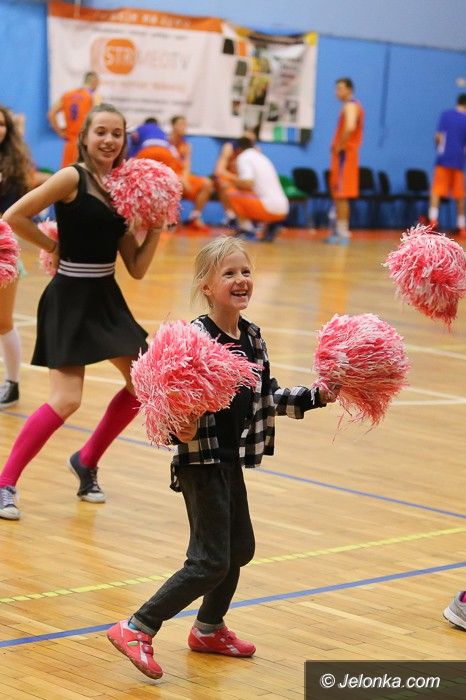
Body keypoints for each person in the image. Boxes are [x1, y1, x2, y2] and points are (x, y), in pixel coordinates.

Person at [106, 235, 339, 680]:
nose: (240, 279)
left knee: (239, 549)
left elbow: (266, 397)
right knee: (210, 560)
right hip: (201, 463)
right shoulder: (193, 339)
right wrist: (177, 428)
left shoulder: (252, 337)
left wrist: (317, 396)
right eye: (228, 273)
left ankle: (208, 629)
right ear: (206, 286)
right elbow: (163, 401)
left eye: (245, 271)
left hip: (231, 460)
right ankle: (137, 627)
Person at [0, 103, 164, 521]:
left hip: (106, 298)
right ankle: (5, 483)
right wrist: (53, 246)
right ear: (85, 137)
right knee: (67, 400)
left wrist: (157, 227)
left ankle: (86, 460)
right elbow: (14, 216)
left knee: (144, 383)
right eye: (101, 132)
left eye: (117, 134)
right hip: (69, 297)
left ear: (125, 140)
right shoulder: (72, 177)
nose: (109, 140)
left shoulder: (125, 190)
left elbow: (137, 268)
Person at [0, 105, 50, 409]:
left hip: (2, 252)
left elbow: (14, 212)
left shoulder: (14, 166)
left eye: (2, 125)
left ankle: (12, 383)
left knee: (3, 321)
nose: (0, 130)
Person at [222, 136, 289, 241]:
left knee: (230, 192)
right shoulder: (262, 157)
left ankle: (247, 230)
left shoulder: (243, 157)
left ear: (238, 149)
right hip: (284, 209)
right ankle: (271, 226)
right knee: (254, 194)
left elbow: (248, 183)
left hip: (268, 209)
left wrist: (231, 181)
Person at [326, 77, 364, 245]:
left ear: (349, 89)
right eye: (336, 88)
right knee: (340, 195)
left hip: (345, 155)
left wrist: (339, 146)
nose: (337, 92)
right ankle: (340, 231)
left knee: (342, 195)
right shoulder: (351, 106)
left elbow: (350, 127)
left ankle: (342, 233)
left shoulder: (350, 106)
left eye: (340, 88)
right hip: (346, 155)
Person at [428, 94, 466, 237]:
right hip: (458, 161)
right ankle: (461, 226)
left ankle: (433, 221)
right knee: (459, 195)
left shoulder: (446, 115)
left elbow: (438, 137)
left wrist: (440, 150)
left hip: (443, 160)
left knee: (437, 191)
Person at [168, 115, 214, 232]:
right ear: (173, 126)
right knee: (176, 184)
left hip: (182, 177)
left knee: (207, 183)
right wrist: (180, 179)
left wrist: (185, 178)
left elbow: (187, 165)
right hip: (168, 177)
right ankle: (170, 218)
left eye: (185, 125)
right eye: (181, 124)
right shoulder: (165, 142)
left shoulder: (187, 145)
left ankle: (194, 217)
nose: (184, 127)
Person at [48, 71, 101, 168]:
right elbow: (99, 117)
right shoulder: (93, 96)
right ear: (95, 82)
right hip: (85, 144)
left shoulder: (68, 95)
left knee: (66, 174)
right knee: (84, 174)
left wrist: (60, 132)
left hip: (70, 143)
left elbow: (51, 114)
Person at [213, 129, 257, 228]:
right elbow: (219, 170)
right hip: (230, 179)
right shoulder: (229, 147)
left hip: (243, 181)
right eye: (245, 141)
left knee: (255, 187)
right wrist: (237, 179)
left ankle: (253, 218)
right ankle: (230, 216)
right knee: (224, 184)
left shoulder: (255, 151)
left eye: (250, 142)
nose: (247, 144)